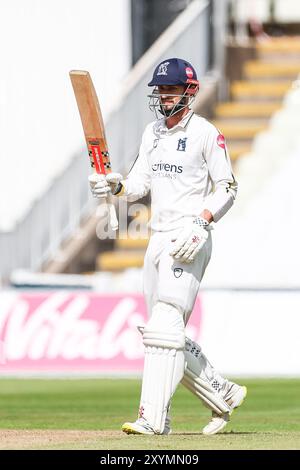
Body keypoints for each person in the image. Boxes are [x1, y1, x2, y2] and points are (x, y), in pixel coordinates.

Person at [89, 58, 247, 435]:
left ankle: (154, 419)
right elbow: (140, 183)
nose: (162, 97)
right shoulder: (153, 132)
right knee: (163, 335)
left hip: (189, 236)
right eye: (159, 91)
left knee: (163, 328)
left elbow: (228, 186)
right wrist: (116, 187)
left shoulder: (206, 133)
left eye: (170, 90)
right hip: (157, 238)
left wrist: (201, 221)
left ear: (189, 92)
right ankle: (222, 391)